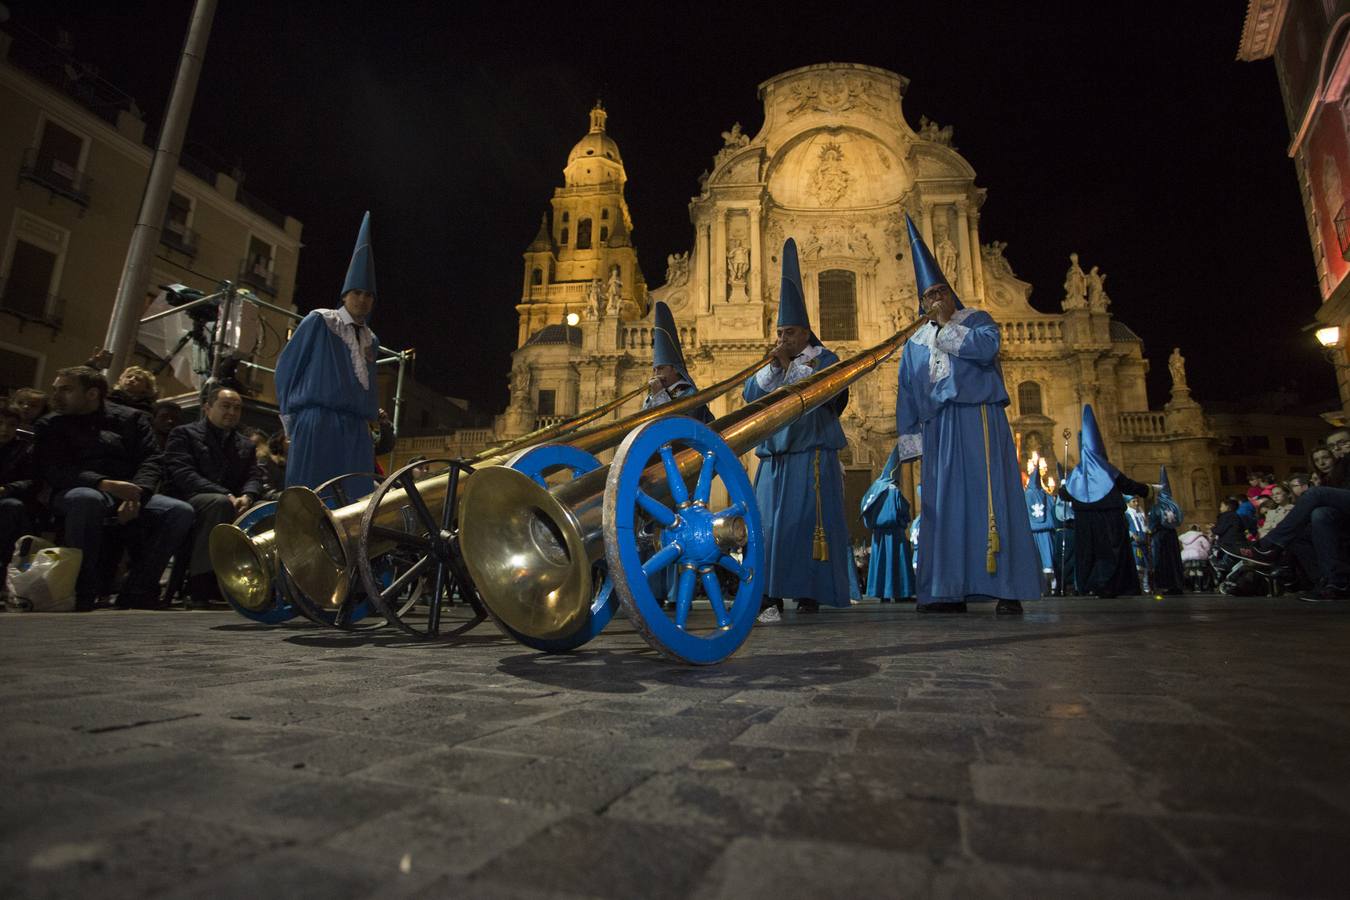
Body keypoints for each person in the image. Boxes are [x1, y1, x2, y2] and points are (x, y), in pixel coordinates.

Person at [895, 215, 1040, 614]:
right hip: (939, 429)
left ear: (951, 293)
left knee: (989, 497)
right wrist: (911, 445)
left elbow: (986, 349)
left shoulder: (976, 320)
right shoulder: (914, 344)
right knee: (942, 507)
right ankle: (946, 588)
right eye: (928, 296)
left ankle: (1005, 587)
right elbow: (907, 393)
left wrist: (945, 325)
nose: (935, 300)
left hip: (979, 419)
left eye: (941, 292)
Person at [743, 238, 852, 623]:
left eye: (789, 333)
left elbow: (830, 391)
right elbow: (750, 395)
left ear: (805, 333)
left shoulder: (825, 359)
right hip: (775, 459)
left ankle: (812, 591)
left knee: (808, 525)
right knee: (769, 526)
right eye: (780, 333)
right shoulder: (773, 362)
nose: (782, 340)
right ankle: (768, 593)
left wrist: (790, 367)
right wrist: (774, 368)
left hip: (813, 456)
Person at [33, 366, 193, 611]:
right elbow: (55, 469)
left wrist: (138, 492)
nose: (56, 396)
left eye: (65, 389)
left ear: (92, 394)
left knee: (179, 511)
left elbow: (151, 459)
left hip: (128, 491)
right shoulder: (50, 424)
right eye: (56, 389)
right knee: (87, 499)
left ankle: (137, 589)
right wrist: (102, 483)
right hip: (76, 490)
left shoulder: (131, 418)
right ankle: (83, 591)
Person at [274, 211, 381, 493]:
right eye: (357, 292)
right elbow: (287, 368)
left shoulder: (373, 340)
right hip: (318, 422)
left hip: (357, 429)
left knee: (356, 502)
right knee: (311, 496)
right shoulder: (320, 321)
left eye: (368, 295)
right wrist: (290, 421)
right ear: (345, 294)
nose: (362, 299)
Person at [164, 386, 265, 608]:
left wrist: (248, 496)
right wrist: (226, 494)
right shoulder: (184, 434)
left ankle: (261, 583)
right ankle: (202, 584)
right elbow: (184, 474)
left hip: (235, 500)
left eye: (237, 408)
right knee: (218, 504)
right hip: (193, 498)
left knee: (265, 508)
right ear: (207, 408)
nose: (232, 412)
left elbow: (254, 476)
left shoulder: (245, 444)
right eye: (225, 406)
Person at [1059, 404, 1153, 598]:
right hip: (1110, 518)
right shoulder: (1107, 469)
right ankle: (1113, 585)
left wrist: (1064, 487)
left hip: (1085, 521)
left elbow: (1065, 494)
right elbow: (1128, 485)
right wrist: (1147, 490)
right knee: (1112, 552)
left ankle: (1092, 584)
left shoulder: (1077, 473)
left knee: (1090, 552)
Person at [643, 301, 712, 423]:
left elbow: (679, 425)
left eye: (661, 368)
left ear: (674, 368)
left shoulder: (689, 393)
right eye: (654, 369)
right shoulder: (653, 394)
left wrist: (659, 395)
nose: (656, 374)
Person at [861, 446, 914, 602]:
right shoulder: (893, 490)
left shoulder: (873, 489)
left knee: (881, 562)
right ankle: (900, 593)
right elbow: (902, 510)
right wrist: (903, 521)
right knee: (897, 562)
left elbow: (865, 511)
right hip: (895, 533)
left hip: (878, 535)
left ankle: (882, 593)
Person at [0, 406, 38, 583]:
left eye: (11, 425)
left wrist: (6, 489)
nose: (4, 430)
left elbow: (33, 481)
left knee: (12, 507)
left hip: (9, 499)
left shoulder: (24, 449)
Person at [1149, 466, 1185, 594]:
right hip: (1172, 535)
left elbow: (1153, 522)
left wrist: (1150, 531)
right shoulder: (1174, 506)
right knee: (1174, 560)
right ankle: (1177, 584)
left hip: (1160, 536)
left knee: (1162, 560)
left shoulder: (1157, 507)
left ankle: (1165, 584)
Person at [1024, 468, 1055, 594]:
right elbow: (1053, 509)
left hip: (1031, 531)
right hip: (1046, 532)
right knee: (1048, 559)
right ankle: (1053, 587)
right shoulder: (1045, 494)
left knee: (1036, 560)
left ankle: (1038, 588)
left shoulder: (1026, 494)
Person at [1126, 497, 1151, 593]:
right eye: (1134, 501)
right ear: (1128, 503)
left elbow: (1144, 525)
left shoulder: (1140, 514)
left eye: (1137, 501)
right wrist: (1132, 535)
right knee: (1138, 565)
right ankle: (1138, 586)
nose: (1136, 503)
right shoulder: (1126, 514)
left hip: (1143, 542)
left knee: (1145, 565)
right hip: (1134, 544)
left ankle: (1146, 586)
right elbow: (1124, 527)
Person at [1179, 525, 1212, 592]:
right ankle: (1200, 588)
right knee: (1199, 571)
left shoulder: (1184, 537)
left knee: (1191, 571)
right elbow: (1207, 547)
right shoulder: (1200, 537)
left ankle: (1192, 588)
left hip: (1186, 555)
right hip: (1198, 555)